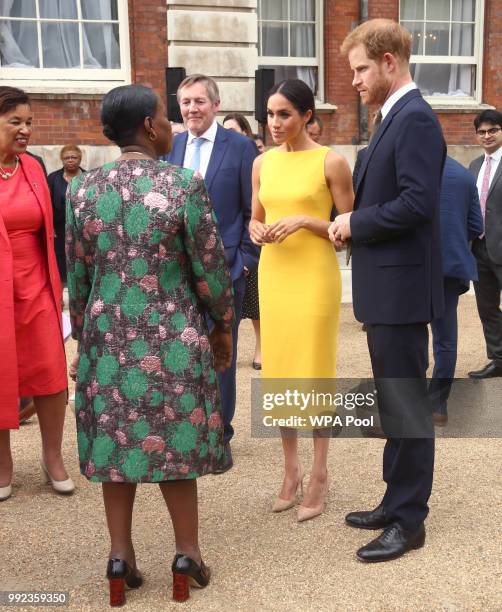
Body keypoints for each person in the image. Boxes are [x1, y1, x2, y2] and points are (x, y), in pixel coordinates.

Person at [66, 84, 234, 605]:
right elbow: (209, 267)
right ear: (146, 124)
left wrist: (82, 332)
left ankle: (120, 559)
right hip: (172, 342)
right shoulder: (183, 185)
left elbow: (78, 275)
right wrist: (223, 322)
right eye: (165, 116)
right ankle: (187, 556)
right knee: (176, 445)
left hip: (108, 340)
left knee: (118, 446)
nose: (171, 125)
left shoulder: (84, 191)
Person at [330, 19, 446, 562]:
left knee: (405, 407)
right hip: (387, 289)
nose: (354, 79)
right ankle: (393, 499)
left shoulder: (416, 119)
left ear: (389, 63)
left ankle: (408, 520)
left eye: (359, 68)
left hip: (401, 292)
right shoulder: (391, 118)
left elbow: (418, 203)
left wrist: (355, 221)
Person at [250, 79, 353, 521]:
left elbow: (347, 231)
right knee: (280, 372)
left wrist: (306, 222)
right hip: (274, 274)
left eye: (284, 114)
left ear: (308, 115)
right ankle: (290, 471)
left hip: (314, 277)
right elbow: (256, 219)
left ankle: (320, 474)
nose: (275, 123)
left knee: (313, 370)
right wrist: (255, 231)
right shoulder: (261, 164)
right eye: (270, 114)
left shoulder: (332, 162)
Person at [165, 75, 259, 470]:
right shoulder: (171, 146)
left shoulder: (239, 148)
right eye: (185, 102)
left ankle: (221, 435)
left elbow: (254, 208)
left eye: (199, 101)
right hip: (177, 273)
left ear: (216, 105)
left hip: (226, 271)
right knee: (181, 353)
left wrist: (245, 259)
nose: (191, 109)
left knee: (222, 351)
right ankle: (188, 429)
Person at [0, 86, 73, 502]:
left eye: (29, 122)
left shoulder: (33, 167)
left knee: (49, 372)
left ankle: (52, 457)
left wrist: (58, 286)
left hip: (37, 285)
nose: (25, 130)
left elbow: (51, 231)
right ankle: (3, 462)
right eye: (15, 122)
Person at [429, 157, 483, 425]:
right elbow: (476, 225)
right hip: (449, 265)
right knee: (445, 339)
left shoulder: (406, 168)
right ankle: (438, 404)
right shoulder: (463, 174)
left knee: (407, 334)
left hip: (411, 266)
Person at [223, 113, 263, 368]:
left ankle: (262, 347)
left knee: (256, 304)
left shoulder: (255, 158)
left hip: (250, 245)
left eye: (235, 131)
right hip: (231, 251)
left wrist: (248, 257)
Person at [467, 109, 502, 379]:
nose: (487, 136)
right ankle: (499, 360)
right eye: (482, 132)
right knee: (487, 308)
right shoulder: (476, 166)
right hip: (479, 249)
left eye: (493, 130)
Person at [47, 144, 85, 283]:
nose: (70, 160)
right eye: (66, 158)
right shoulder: (53, 178)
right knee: (60, 258)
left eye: (74, 157)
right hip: (59, 228)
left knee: (81, 256)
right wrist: (49, 226)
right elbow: (46, 204)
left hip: (81, 227)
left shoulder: (88, 177)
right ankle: (63, 285)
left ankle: (80, 284)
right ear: (62, 160)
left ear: (80, 159)